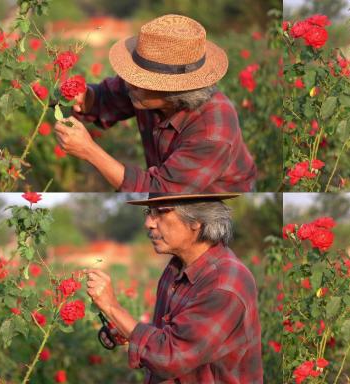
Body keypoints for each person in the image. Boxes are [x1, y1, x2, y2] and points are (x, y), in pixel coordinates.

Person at [54, 15, 257, 192]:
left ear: (176, 91)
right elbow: (104, 98)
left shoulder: (212, 131)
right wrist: (84, 96)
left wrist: (90, 151)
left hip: (215, 202)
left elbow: (160, 191)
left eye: (142, 80)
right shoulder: (141, 92)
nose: (128, 81)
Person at [85, 193, 263, 383]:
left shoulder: (224, 285)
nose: (149, 223)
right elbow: (177, 334)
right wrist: (127, 330)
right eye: (149, 211)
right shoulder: (176, 268)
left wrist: (112, 307)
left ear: (196, 221)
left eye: (161, 212)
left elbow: (171, 357)